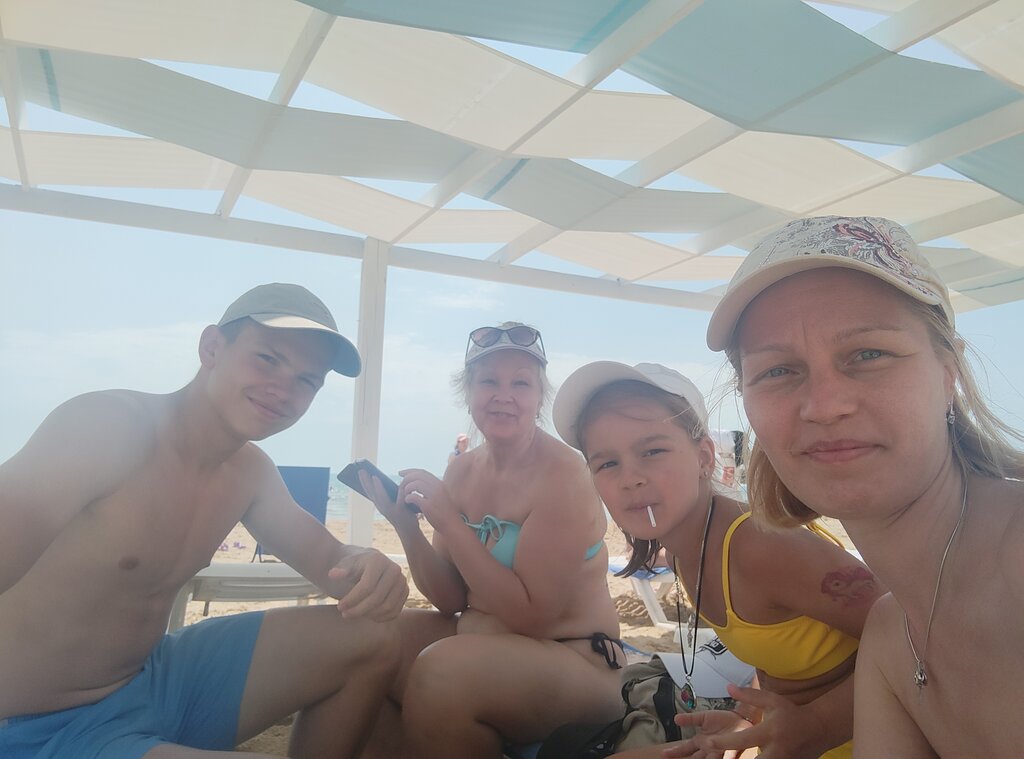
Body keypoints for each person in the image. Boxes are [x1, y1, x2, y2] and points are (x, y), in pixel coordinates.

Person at [0, 283, 409, 758]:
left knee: (371, 638)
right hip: (41, 726)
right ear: (212, 347)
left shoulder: (249, 472)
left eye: (306, 381)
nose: (283, 390)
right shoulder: (106, 428)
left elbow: (333, 562)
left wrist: (368, 565)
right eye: (268, 359)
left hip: (153, 680)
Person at [706, 215, 1024, 757]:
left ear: (948, 373)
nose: (824, 406)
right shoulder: (890, 637)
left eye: (869, 354)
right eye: (779, 370)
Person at [553, 361, 884, 758]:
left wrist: (817, 725)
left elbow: (921, 633)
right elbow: (784, 651)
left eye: (653, 450)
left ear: (705, 457)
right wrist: (749, 718)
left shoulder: (760, 547)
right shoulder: (685, 549)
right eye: (607, 463)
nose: (630, 478)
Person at [360, 322, 624, 758]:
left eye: (520, 383)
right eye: (489, 382)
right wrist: (407, 527)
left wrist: (450, 523)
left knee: (441, 672)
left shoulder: (564, 475)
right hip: (481, 643)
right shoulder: (462, 470)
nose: (504, 395)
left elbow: (533, 617)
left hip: (577, 659)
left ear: (539, 398)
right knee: (367, 643)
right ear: (468, 393)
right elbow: (449, 598)